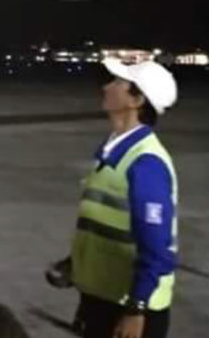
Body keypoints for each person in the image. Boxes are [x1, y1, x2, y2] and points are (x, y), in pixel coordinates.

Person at [47, 59, 179, 338]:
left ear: (137, 100)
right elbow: (105, 223)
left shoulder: (146, 163)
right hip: (101, 298)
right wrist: (76, 263)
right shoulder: (112, 152)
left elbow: (157, 248)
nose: (107, 86)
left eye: (118, 82)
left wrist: (136, 309)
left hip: (126, 309)